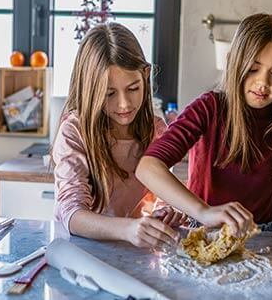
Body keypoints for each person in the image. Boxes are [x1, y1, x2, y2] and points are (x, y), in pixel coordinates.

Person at [137, 13, 272, 244]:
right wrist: (202, 212)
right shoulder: (209, 108)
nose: (263, 82)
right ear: (233, 61)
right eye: (253, 69)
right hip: (205, 234)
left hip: (262, 239)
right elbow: (148, 167)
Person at [53, 22, 185, 248]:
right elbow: (72, 213)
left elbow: (161, 195)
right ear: (89, 90)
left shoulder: (156, 130)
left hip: (135, 251)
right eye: (109, 94)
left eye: (133, 88)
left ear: (146, 74)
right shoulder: (74, 131)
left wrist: (166, 211)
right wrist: (128, 229)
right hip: (82, 252)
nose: (124, 104)